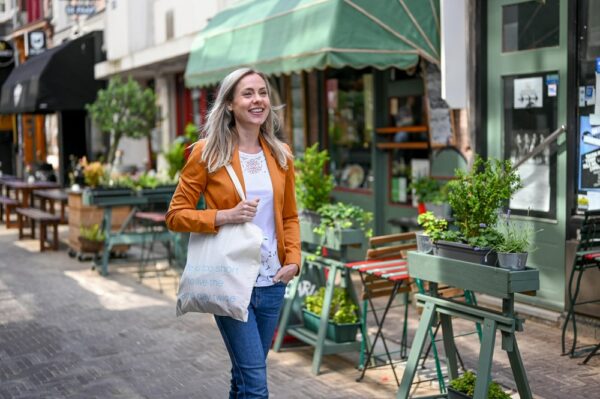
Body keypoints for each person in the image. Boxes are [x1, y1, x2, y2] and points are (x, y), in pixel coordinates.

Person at [166, 67, 301, 398]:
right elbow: (175, 215)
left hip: (272, 283)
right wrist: (224, 216)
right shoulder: (207, 153)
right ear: (229, 104)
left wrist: (295, 260)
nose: (258, 100)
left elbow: (289, 216)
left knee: (244, 375)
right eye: (248, 93)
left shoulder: (281, 155)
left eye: (263, 92)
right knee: (256, 384)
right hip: (231, 280)